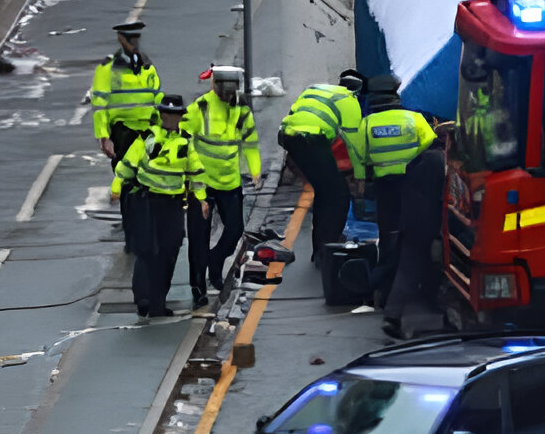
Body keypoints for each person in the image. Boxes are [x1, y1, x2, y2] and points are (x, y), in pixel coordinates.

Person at [349, 73, 438, 321]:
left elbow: (359, 157)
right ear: (396, 95)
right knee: (414, 237)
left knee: (388, 234)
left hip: (384, 188)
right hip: (415, 185)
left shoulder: (366, 125)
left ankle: (383, 287)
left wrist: (361, 179)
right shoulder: (414, 119)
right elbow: (431, 144)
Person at [280, 69, 365, 300]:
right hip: (312, 140)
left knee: (325, 193)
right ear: (357, 91)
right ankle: (327, 249)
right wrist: (360, 176)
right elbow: (354, 143)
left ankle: (320, 248)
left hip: (289, 136)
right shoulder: (349, 101)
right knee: (338, 196)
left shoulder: (317, 89)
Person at [111, 94, 197, 318]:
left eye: (175, 115)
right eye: (167, 115)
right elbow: (126, 167)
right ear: (161, 116)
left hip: (173, 205)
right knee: (147, 251)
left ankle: (158, 302)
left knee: (169, 252)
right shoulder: (147, 139)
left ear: (180, 117)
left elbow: (195, 172)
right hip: (148, 202)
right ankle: (144, 300)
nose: (171, 119)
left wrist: (203, 196)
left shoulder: (186, 142)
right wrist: (117, 188)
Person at [186, 65, 262, 309]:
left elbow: (250, 143)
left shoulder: (241, 110)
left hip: (229, 181)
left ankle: (215, 260)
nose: (228, 95)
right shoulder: (200, 108)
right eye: (224, 90)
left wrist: (255, 170)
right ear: (215, 86)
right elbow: (183, 142)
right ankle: (198, 287)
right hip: (202, 184)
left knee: (235, 229)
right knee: (198, 238)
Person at [91, 21, 162, 252]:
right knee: (128, 184)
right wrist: (104, 137)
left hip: (147, 132)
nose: (134, 43)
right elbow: (100, 104)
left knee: (148, 182)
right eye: (130, 39)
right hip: (123, 133)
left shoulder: (147, 66)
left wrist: (163, 130)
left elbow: (157, 97)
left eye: (136, 39)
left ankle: (146, 231)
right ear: (121, 40)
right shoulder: (108, 68)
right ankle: (132, 236)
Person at [380, 134, 448, 339]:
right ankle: (438, 312)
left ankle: (393, 313)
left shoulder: (420, 159)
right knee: (416, 267)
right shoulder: (439, 162)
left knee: (408, 267)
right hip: (426, 223)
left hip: (410, 220)